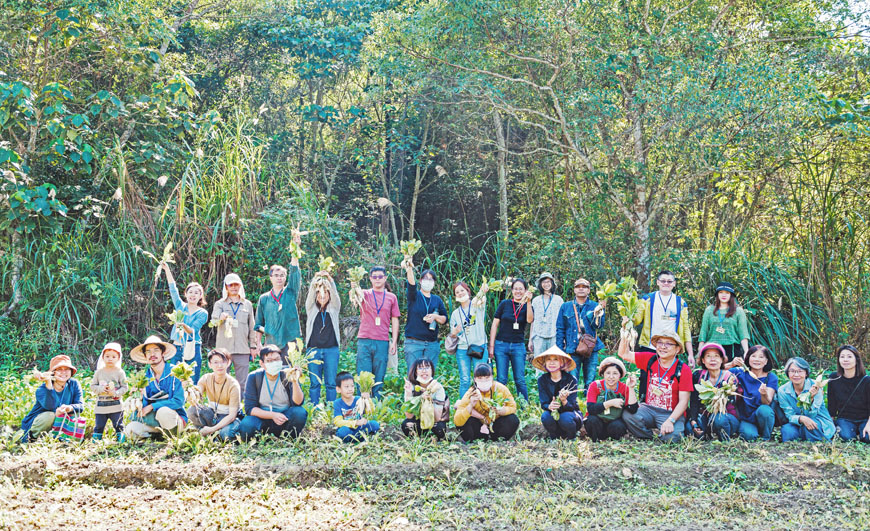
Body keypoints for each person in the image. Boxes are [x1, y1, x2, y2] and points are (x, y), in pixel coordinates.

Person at [618, 328, 692, 442]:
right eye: (660, 343)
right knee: (628, 415)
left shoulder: (683, 369)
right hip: (649, 409)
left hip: (670, 413)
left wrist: (670, 420)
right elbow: (623, 354)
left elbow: (684, 402)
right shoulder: (650, 359)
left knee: (673, 438)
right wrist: (625, 332)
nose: (663, 347)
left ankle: (665, 432)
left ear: (677, 349)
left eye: (668, 344)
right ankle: (651, 436)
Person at [237, 345, 308, 440]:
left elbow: (298, 402)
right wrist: (273, 415)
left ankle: (288, 438)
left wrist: (295, 381)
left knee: (300, 412)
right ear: (262, 363)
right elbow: (250, 409)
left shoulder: (288, 374)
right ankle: (262, 439)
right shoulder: (254, 377)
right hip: (263, 419)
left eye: (277, 359)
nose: (274, 363)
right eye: (269, 361)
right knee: (247, 424)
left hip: (284, 418)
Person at [254, 231, 303, 365]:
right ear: (270, 278)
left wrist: (295, 250)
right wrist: (258, 343)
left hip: (290, 341)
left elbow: (294, 273)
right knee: (272, 374)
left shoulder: (290, 291)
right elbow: (258, 324)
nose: (279, 277)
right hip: (271, 342)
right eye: (276, 275)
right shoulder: (264, 299)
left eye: (282, 275)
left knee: (291, 374)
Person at [125, 336, 187, 440]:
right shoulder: (145, 377)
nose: (152, 354)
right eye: (148, 352)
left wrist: (153, 406)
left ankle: (173, 437)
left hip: (173, 419)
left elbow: (179, 401)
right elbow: (144, 408)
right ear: (145, 356)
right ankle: (158, 435)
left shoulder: (176, 372)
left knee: (163, 412)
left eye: (156, 350)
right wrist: (139, 398)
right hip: (155, 421)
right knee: (130, 429)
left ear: (163, 353)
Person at [632, 270, 695, 367]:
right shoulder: (647, 299)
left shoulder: (680, 303)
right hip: (649, 346)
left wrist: (690, 354)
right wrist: (627, 311)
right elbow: (636, 321)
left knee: (668, 380)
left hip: (671, 348)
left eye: (669, 281)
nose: (666, 283)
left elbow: (686, 329)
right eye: (663, 281)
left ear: (674, 283)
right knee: (645, 379)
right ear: (657, 282)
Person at [354, 266, 400, 398]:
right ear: (370, 279)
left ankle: (376, 407)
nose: (377, 279)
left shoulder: (392, 297)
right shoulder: (364, 293)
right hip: (364, 340)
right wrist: (354, 285)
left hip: (382, 341)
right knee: (363, 377)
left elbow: (395, 319)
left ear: (385, 278)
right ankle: (361, 408)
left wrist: (394, 342)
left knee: (379, 377)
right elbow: (354, 297)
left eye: (380, 276)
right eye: (374, 277)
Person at [161, 263, 209, 384]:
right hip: (176, 348)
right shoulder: (180, 306)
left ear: (200, 296)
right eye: (190, 292)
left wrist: (182, 326)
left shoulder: (202, 313)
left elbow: (193, 330)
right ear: (186, 294)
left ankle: (193, 402)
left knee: (192, 380)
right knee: (173, 379)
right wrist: (167, 270)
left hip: (192, 348)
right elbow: (173, 289)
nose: (193, 295)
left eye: (196, 292)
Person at [19, 355, 84, 443]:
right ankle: (33, 438)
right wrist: (48, 384)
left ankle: (61, 439)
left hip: (60, 421)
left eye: (66, 369)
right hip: (42, 422)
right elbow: (50, 406)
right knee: (50, 416)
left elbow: (80, 406)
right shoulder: (42, 389)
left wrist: (69, 408)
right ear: (53, 372)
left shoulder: (74, 384)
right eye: (59, 369)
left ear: (71, 371)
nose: (63, 372)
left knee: (73, 416)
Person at [555, 278, 606, 389]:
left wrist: (602, 310)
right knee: (572, 380)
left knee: (590, 381)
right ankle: (573, 404)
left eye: (584, 287)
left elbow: (599, 326)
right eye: (578, 287)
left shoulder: (595, 306)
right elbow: (560, 328)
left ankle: (589, 403)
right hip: (572, 348)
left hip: (591, 348)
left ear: (588, 290)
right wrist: (560, 350)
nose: (581, 289)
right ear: (574, 290)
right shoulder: (565, 306)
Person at [211, 273, 257, 396]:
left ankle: (241, 408)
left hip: (242, 349)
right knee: (222, 379)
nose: (233, 287)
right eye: (230, 285)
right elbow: (213, 321)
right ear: (226, 287)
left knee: (243, 382)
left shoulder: (247, 304)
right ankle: (222, 406)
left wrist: (253, 346)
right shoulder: (220, 304)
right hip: (223, 350)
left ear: (240, 286)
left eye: (236, 284)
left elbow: (252, 327)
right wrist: (220, 318)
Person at [489, 278, 534, 401]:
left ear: (525, 291)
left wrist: (529, 302)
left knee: (519, 379)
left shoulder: (527, 306)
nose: (518, 291)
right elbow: (494, 325)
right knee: (501, 379)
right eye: (515, 289)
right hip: (501, 345)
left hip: (518, 346)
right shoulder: (504, 304)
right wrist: (491, 346)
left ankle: (524, 405)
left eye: (521, 289)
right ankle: (498, 403)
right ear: (512, 290)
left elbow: (530, 320)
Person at [454, 363, 520, 442]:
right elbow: (457, 421)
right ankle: (476, 440)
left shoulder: (500, 389)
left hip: (496, 424)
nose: (484, 381)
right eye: (480, 378)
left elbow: (513, 407)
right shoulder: (471, 393)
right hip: (478, 426)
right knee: (464, 421)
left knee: (512, 419)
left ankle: (497, 440)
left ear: (492, 377)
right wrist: (471, 405)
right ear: (475, 379)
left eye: (487, 378)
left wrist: (501, 411)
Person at [687, 343, 740, 441]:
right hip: (705, 416)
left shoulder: (730, 378)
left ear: (722, 360)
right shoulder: (698, 376)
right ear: (703, 360)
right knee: (690, 429)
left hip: (726, 417)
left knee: (719, 420)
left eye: (716, 356)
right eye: (708, 356)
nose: (712, 359)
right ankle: (708, 433)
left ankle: (724, 440)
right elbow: (694, 401)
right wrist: (693, 421)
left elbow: (731, 403)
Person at [186, 348, 242, 441]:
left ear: (228, 363)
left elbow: (232, 416)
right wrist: (188, 388)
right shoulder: (206, 378)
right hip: (213, 414)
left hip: (229, 418)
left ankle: (213, 432)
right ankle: (205, 432)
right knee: (192, 410)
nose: (219, 365)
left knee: (226, 434)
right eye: (215, 362)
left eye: (223, 361)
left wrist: (212, 429)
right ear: (210, 364)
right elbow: (194, 400)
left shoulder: (233, 385)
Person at [304, 271, 341, 407]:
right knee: (314, 382)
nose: (322, 296)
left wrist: (330, 280)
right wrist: (316, 279)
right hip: (313, 350)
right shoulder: (311, 308)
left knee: (331, 382)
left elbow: (336, 297)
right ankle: (314, 408)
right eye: (319, 293)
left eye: (325, 293)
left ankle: (331, 408)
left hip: (331, 350)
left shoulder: (334, 308)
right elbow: (310, 295)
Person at [402, 259, 447, 371]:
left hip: (432, 344)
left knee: (429, 377)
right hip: (414, 343)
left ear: (434, 282)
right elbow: (411, 284)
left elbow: (445, 319)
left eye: (431, 279)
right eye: (425, 278)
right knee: (413, 375)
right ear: (421, 281)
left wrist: (435, 317)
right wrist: (409, 268)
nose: (428, 281)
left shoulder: (437, 300)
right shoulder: (414, 296)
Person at [778, 357, 835, 442]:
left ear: (806, 373)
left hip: (818, 420)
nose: (796, 375)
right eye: (792, 371)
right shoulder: (782, 390)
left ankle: (822, 443)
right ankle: (804, 438)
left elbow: (812, 415)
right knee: (787, 431)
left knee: (810, 426)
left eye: (800, 371)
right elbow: (789, 415)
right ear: (787, 373)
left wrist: (811, 398)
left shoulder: (816, 386)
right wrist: (801, 419)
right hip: (798, 422)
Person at [447, 281, 489, 399]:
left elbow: (482, 295)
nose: (460, 293)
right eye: (457, 292)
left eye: (462, 290)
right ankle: (463, 406)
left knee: (481, 378)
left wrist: (483, 289)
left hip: (479, 346)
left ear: (468, 291)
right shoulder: (455, 314)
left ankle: (483, 404)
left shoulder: (477, 305)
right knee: (465, 379)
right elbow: (453, 334)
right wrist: (454, 333)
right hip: (462, 349)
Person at [729, 345, 779, 441]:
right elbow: (718, 371)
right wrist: (731, 364)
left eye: (761, 357)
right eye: (753, 356)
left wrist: (763, 394)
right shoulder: (739, 373)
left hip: (762, 414)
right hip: (746, 417)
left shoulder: (771, 377)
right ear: (748, 358)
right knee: (748, 436)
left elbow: (767, 402)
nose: (757, 360)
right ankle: (752, 430)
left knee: (764, 410)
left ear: (766, 361)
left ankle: (766, 436)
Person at [533, 346, 581, 440]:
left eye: (555, 359)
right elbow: (544, 403)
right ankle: (554, 438)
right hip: (553, 415)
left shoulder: (570, 380)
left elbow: (572, 406)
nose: (551, 362)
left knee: (565, 418)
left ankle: (571, 438)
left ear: (561, 362)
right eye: (548, 359)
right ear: (545, 363)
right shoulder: (542, 380)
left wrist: (564, 401)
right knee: (545, 416)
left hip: (571, 415)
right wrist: (549, 406)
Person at [585, 356, 637, 442]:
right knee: (591, 420)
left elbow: (633, 409)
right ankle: (595, 440)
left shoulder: (624, 388)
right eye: (608, 373)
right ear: (603, 374)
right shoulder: (595, 385)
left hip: (614, 424)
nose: (611, 377)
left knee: (618, 426)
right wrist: (610, 403)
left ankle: (613, 441)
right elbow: (590, 409)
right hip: (598, 422)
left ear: (620, 375)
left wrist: (631, 388)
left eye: (615, 373)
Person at [698, 282, 750, 366]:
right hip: (712, 350)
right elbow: (703, 333)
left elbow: (743, 334)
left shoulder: (738, 311)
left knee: (731, 377)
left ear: (731, 295)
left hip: (732, 350)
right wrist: (700, 352)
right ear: (717, 294)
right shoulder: (709, 310)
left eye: (727, 293)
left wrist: (746, 352)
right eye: (721, 292)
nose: (724, 295)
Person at [826, 345, 870, 442]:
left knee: (867, 438)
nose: (845, 360)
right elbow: (831, 403)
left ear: (857, 359)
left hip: (865, 418)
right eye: (842, 357)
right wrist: (830, 423)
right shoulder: (834, 377)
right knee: (846, 437)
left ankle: (861, 431)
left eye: (849, 356)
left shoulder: (867, 380)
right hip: (845, 418)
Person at [402, 358, 449, 439]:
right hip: (418, 420)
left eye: (427, 367)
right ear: (416, 372)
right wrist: (409, 394)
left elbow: (437, 418)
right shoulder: (411, 386)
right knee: (406, 425)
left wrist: (429, 400)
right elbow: (409, 416)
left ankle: (431, 437)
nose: (424, 371)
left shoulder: (438, 387)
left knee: (440, 428)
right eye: (420, 368)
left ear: (432, 371)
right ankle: (419, 436)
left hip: (433, 421)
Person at [91, 342, 128, 442]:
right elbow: (93, 386)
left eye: (113, 356)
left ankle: (121, 441)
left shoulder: (120, 372)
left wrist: (115, 393)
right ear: (103, 357)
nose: (110, 359)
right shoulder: (99, 372)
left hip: (116, 406)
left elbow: (125, 387)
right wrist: (101, 389)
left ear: (118, 358)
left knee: (118, 424)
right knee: (99, 425)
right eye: (107, 356)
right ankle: (96, 441)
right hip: (101, 406)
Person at [529, 273, 564, 371]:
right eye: (544, 282)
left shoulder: (559, 300)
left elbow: (562, 320)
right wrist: (530, 339)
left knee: (554, 364)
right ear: (540, 284)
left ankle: (554, 385)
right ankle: (537, 385)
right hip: (538, 336)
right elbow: (533, 320)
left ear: (552, 283)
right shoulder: (535, 300)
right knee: (539, 364)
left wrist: (563, 338)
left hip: (554, 335)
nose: (546, 284)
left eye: (548, 281)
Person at [333, 371, 380, 443]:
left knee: (374, 424)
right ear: (338, 389)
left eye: (352, 386)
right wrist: (355, 423)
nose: (350, 389)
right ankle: (357, 438)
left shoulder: (358, 399)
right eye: (346, 387)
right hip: (349, 429)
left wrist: (368, 399)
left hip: (360, 428)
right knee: (343, 432)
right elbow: (338, 422)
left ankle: (359, 437)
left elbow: (370, 411)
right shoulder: (337, 403)